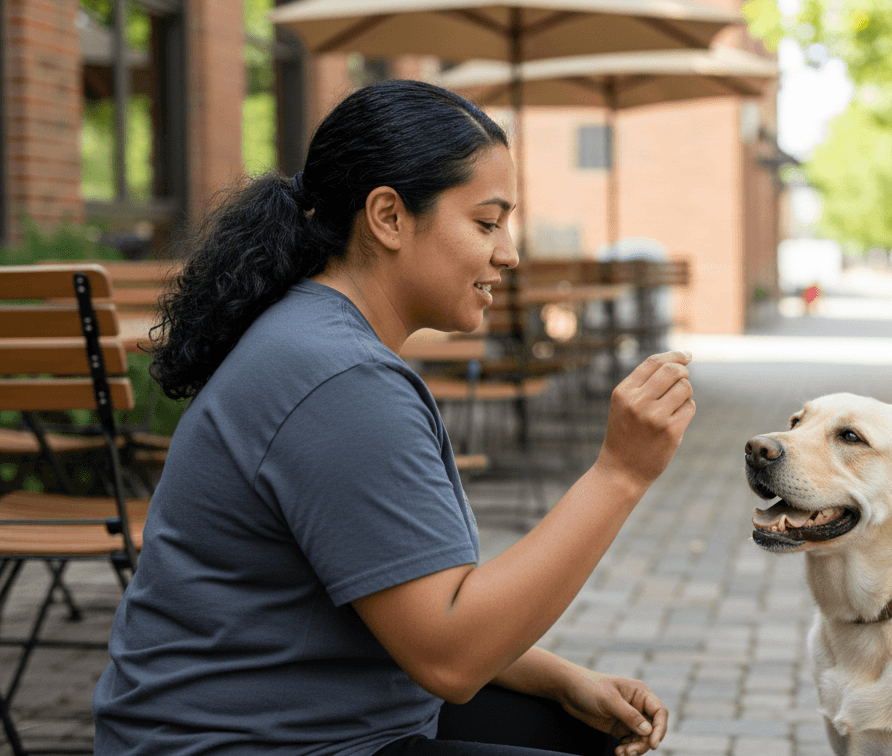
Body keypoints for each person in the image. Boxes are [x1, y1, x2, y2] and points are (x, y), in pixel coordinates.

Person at [92, 79, 695, 756]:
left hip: (295, 722)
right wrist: (620, 473)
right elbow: (450, 656)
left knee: (591, 734)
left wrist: (560, 680)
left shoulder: (313, 336)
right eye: (486, 223)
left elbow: (408, 600)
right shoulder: (340, 379)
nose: (509, 252)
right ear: (388, 217)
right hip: (244, 744)